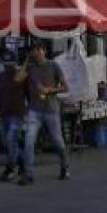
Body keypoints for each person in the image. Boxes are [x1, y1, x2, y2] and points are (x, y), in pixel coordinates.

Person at [20, 40, 70, 186]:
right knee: (29, 141)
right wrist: (26, 60)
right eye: (34, 51)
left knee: (57, 141)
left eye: (38, 50)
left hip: (51, 110)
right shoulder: (30, 67)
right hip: (34, 110)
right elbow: (17, 79)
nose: (36, 53)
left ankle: (64, 165)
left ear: (44, 51)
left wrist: (50, 90)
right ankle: (28, 174)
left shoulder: (53, 66)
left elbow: (65, 87)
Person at [0, 61, 27, 182]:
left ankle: (9, 169)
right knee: (7, 141)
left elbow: (30, 92)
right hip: (4, 114)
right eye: (6, 64)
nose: (7, 67)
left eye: (10, 64)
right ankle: (22, 162)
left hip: (17, 114)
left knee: (10, 139)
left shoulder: (21, 76)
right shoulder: (0, 77)